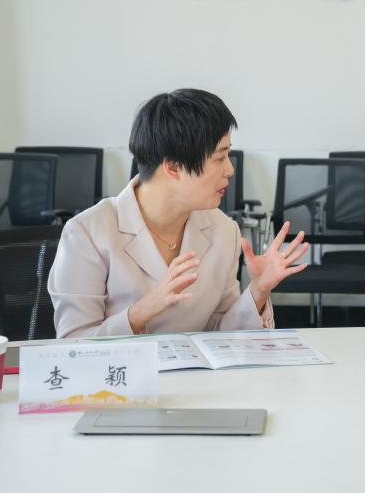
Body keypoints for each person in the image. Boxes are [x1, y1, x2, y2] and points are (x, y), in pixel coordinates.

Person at [49, 89, 309, 338]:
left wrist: (258, 291)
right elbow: (73, 343)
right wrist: (140, 312)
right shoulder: (87, 233)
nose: (230, 169)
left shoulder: (224, 230)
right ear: (173, 167)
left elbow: (221, 333)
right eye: (220, 158)